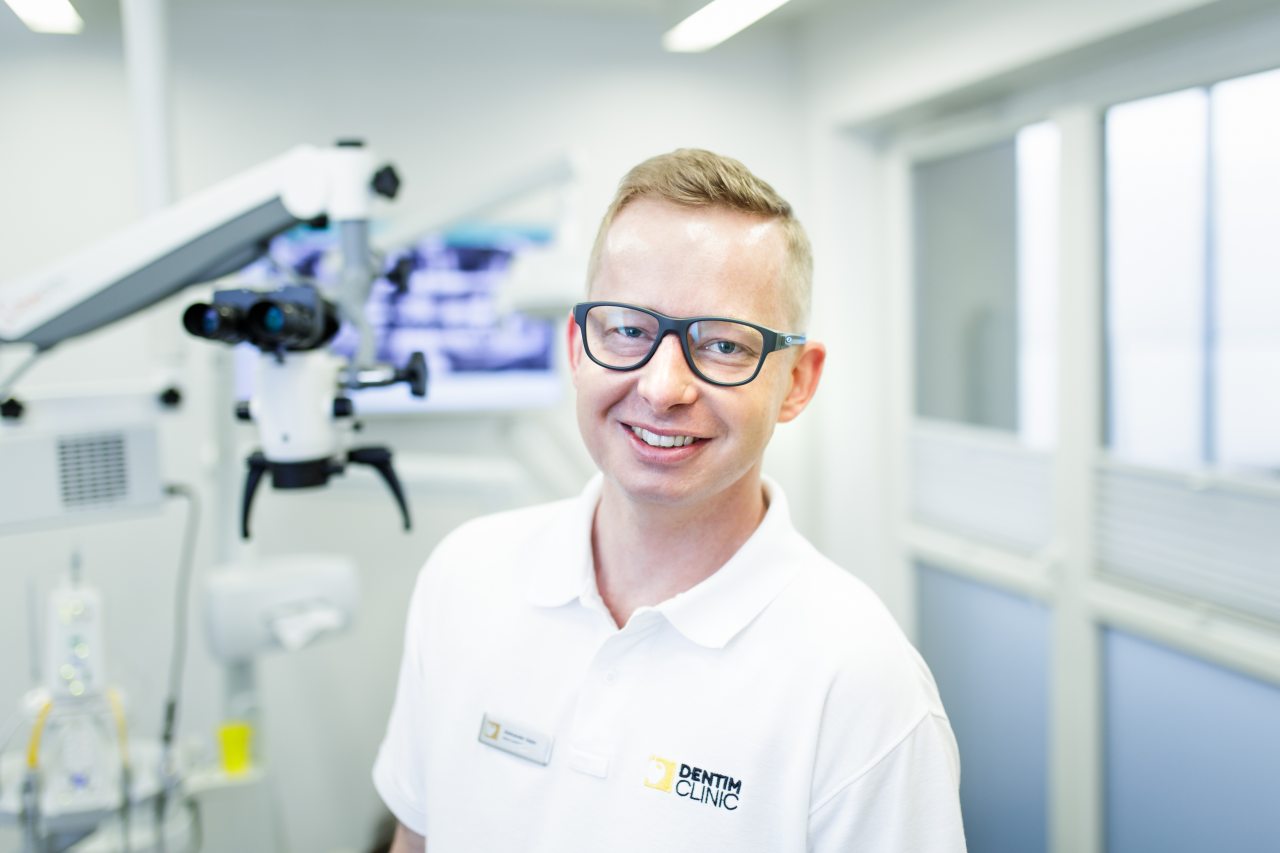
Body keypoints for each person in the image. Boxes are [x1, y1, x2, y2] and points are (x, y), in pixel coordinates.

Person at [373, 149, 966, 852]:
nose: (662, 388)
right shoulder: (463, 577)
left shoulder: (862, 683)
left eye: (722, 346)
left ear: (798, 382)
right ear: (577, 347)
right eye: (628, 330)